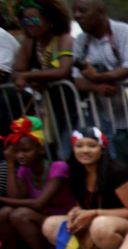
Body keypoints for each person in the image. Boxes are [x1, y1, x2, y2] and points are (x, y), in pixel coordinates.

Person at [41, 127, 128, 249]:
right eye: (79, 146)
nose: (85, 150)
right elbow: (83, 205)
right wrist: (76, 212)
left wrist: (95, 213)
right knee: (50, 224)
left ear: (102, 148)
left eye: (91, 145)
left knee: (100, 225)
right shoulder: (76, 173)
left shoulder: (116, 172)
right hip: (97, 221)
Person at [71, 0, 128, 179]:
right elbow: (78, 80)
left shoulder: (124, 32)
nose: (77, 15)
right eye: (74, 11)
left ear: (100, 12)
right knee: (114, 167)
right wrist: (96, 87)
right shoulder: (82, 41)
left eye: (82, 10)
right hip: (104, 119)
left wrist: (98, 77)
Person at [0, 116, 76, 249]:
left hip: (65, 220)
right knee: (4, 213)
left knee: (21, 214)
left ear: (41, 149)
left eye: (26, 150)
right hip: (44, 220)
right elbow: (15, 198)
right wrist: (11, 165)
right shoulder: (24, 170)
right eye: (17, 151)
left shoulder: (58, 167)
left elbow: (39, 204)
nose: (21, 155)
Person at [12, 0, 76, 158]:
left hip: (69, 110)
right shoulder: (30, 42)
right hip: (45, 112)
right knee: (48, 154)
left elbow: (63, 70)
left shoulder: (64, 39)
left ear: (49, 20)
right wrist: (29, 76)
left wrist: (28, 76)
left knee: (65, 155)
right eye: (25, 20)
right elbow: (17, 70)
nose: (29, 24)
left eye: (34, 20)